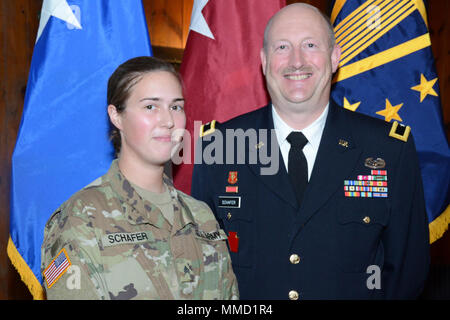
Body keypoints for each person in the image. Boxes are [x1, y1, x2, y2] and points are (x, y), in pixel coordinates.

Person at [191, 3, 429, 299]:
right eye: (282, 47)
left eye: (310, 45)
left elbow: (406, 270)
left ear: (334, 57)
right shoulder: (221, 146)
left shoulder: (388, 150)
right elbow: (203, 266)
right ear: (264, 62)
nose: (297, 61)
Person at [41, 56, 238, 300]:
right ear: (116, 116)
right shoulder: (81, 218)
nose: (168, 121)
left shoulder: (201, 215)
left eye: (176, 107)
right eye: (150, 107)